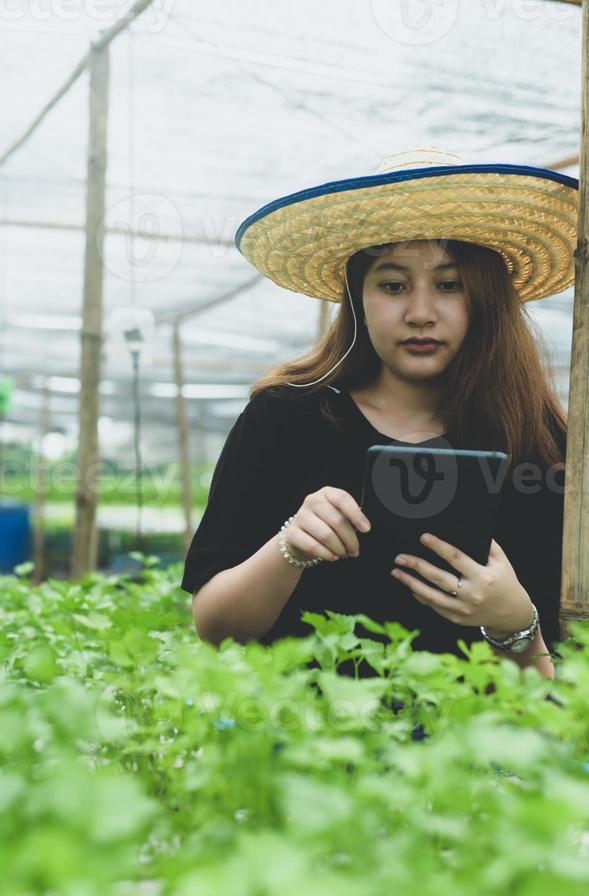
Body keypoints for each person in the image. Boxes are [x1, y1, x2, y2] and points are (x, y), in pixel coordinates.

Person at [181, 147, 576, 680]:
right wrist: (289, 547)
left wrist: (512, 621)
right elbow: (215, 627)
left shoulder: (540, 443)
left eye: (449, 284)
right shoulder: (285, 420)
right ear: (358, 299)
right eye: (392, 285)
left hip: (465, 757)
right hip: (308, 750)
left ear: (485, 298)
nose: (419, 313)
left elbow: (550, 702)